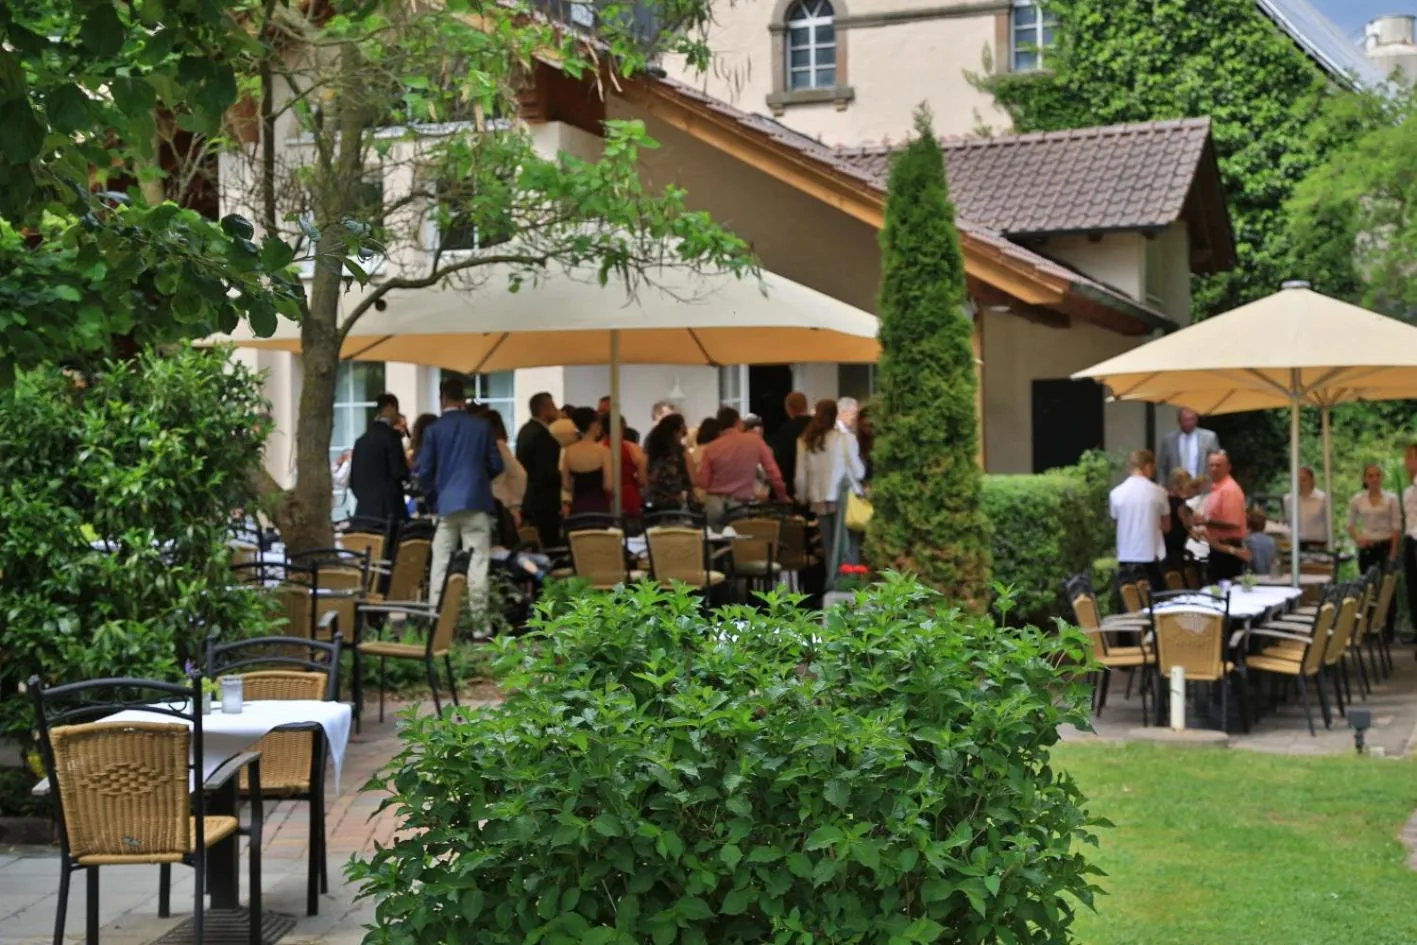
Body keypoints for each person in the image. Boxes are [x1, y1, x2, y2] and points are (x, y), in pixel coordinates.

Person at [418, 377, 503, 616]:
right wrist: (479, 480)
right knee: (477, 564)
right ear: (464, 399)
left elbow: (425, 472)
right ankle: (479, 625)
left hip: (446, 504)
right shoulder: (481, 427)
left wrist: (434, 500)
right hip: (476, 502)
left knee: (440, 561)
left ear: (442, 398)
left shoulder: (433, 430)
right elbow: (496, 464)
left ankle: (437, 617)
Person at [795, 399, 865, 576]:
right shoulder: (846, 439)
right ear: (835, 415)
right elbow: (858, 472)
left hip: (819, 499)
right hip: (844, 498)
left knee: (829, 547)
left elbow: (801, 476)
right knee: (848, 545)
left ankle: (832, 583)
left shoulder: (805, 441)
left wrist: (802, 496)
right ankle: (849, 584)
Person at [695, 406, 787, 527]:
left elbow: (702, 482)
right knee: (739, 542)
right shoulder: (755, 441)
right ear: (737, 421)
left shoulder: (711, 448)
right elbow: (773, 473)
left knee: (715, 541)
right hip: (739, 503)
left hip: (714, 504)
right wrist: (782, 496)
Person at [1109, 449, 1169, 590]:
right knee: (1156, 602)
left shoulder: (1116, 493)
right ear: (1148, 466)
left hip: (1125, 555)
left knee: (1128, 601)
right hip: (1150, 555)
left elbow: (1116, 519)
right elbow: (1167, 526)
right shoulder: (1159, 493)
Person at [349, 392, 409, 522]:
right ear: (390, 407)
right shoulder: (392, 436)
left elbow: (353, 481)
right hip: (389, 511)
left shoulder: (360, 441)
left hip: (363, 512)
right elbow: (398, 472)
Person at [516, 391, 565, 549]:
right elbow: (547, 472)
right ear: (544, 409)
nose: (557, 410)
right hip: (545, 502)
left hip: (530, 498)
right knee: (549, 544)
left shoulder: (525, 431)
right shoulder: (541, 436)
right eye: (553, 406)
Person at [1194, 449, 1247, 582]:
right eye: (1211, 465)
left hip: (1227, 551)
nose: (1214, 469)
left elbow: (1233, 523)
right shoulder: (1216, 488)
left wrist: (1205, 521)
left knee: (1224, 590)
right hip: (1216, 548)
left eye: (1218, 465)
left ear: (1228, 467)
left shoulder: (1229, 490)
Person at [1348, 462, 1400, 576]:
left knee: (1387, 588)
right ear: (1365, 479)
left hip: (1386, 545)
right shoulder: (1358, 499)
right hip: (1367, 547)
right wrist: (1358, 538)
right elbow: (1350, 524)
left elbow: (1396, 527)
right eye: (1370, 476)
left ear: (1382, 477)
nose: (1374, 479)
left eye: (1377, 475)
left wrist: (1393, 554)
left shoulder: (1391, 499)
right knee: (1368, 587)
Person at [562, 406, 614, 516]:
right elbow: (608, 485)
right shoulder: (603, 452)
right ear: (593, 425)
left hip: (577, 507)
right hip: (599, 506)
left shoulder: (569, 451)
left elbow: (566, 485)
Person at [645, 412, 696, 511]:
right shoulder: (680, 452)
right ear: (677, 431)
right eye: (682, 433)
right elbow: (693, 479)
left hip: (655, 503)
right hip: (677, 503)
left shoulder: (653, 450)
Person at [484, 409, 526, 526]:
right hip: (501, 505)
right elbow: (520, 475)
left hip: (496, 505)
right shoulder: (498, 446)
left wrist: (514, 504)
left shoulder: (494, 447)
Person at [1156, 407, 1220, 483]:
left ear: (1196, 420)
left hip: (1202, 487)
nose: (1188, 423)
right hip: (1176, 489)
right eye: (1185, 420)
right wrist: (1162, 485)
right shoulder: (1168, 440)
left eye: (1191, 419)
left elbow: (1218, 464)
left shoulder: (1209, 437)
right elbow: (1162, 466)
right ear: (1178, 421)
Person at [601, 415, 647, 518]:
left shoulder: (598, 448)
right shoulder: (634, 449)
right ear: (622, 427)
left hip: (604, 497)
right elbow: (642, 480)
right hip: (628, 494)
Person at [773, 391, 812, 501]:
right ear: (806, 406)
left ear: (788, 409)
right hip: (819, 483)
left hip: (794, 485)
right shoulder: (816, 427)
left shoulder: (785, 430)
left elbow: (783, 461)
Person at [1283, 466, 1330, 548]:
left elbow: (1328, 523)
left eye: (1303, 479)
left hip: (1317, 545)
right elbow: (1286, 522)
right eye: (1297, 480)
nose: (1300, 483)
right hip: (1294, 545)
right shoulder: (1288, 499)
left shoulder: (1323, 499)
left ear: (1312, 480)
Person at [1163, 469, 1195, 563]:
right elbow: (1189, 527)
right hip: (1178, 549)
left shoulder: (1163, 501)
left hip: (1164, 548)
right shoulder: (1182, 506)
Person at [1243, 507, 1277, 576]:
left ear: (1248, 524)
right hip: (1268, 576)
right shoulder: (1271, 541)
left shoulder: (1247, 541)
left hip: (1253, 578)